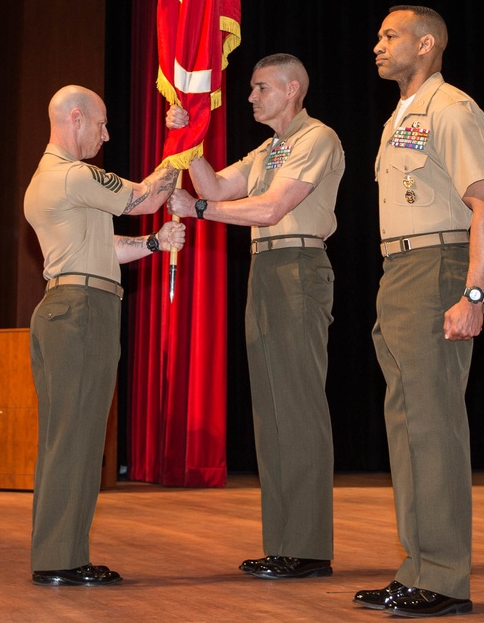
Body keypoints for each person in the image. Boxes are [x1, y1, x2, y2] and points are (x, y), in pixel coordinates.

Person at [166, 53, 345, 580]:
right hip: (266, 268)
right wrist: (189, 141)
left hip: (298, 266)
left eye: (260, 87)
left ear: (291, 89)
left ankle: (308, 547)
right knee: (270, 411)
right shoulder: (269, 148)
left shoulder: (317, 138)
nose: (250, 97)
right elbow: (215, 187)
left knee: (298, 407)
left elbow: (269, 209)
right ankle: (283, 543)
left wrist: (198, 211)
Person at [353, 6, 484, 617]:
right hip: (398, 270)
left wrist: (474, 295)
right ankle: (416, 568)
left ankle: (444, 578)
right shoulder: (399, 117)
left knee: (434, 426)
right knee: (407, 427)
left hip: (437, 267)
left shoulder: (451, 109)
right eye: (378, 35)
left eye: (390, 35)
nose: (378, 44)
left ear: (426, 44)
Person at [24, 85, 185, 587]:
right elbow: (148, 196)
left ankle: (58, 553)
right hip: (83, 311)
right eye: (101, 124)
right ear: (75, 118)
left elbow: (106, 246)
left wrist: (154, 243)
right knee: (78, 438)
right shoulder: (74, 175)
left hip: (66, 305)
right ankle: (61, 560)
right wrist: (180, 144)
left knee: (67, 437)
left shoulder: (52, 181)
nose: (107, 134)